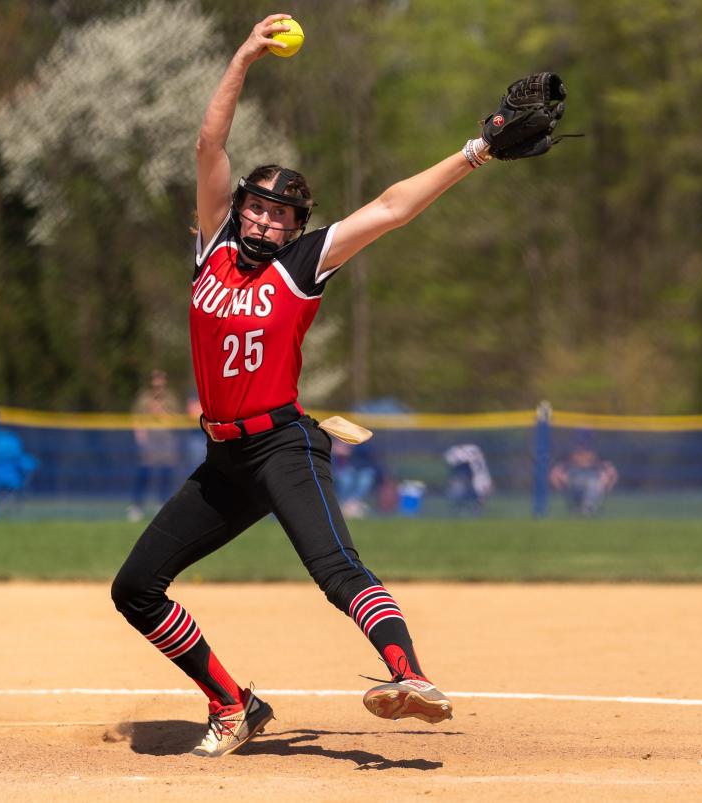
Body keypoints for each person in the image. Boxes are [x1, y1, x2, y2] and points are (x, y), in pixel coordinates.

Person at [111, 13, 563, 757]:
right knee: (136, 587)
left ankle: (409, 674)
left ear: (295, 228)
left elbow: (391, 207)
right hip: (224, 460)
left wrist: (475, 152)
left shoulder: (302, 263)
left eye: (279, 213)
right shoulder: (212, 251)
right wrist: (245, 57)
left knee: (336, 568)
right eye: (255, 204)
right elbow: (208, 144)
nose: (262, 217)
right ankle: (234, 704)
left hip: (284, 447)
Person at [128, 369, 182, 521]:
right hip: (149, 438)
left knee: (166, 472)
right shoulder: (144, 397)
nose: (158, 383)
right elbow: (136, 417)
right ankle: (137, 506)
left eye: (161, 379)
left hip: (167, 438)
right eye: (155, 379)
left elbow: (179, 418)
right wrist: (140, 434)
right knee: (144, 472)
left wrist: (163, 412)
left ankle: (162, 504)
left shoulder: (171, 398)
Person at [549, 440, 618, 516]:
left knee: (596, 481)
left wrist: (608, 487)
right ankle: (579, 507)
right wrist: (561, 488)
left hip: (591, 484)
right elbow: (555, 474)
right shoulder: (569, 460)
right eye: (580, 450)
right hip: (575, 484)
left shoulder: (598, 461)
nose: (583, 454)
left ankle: (587, 507)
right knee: (576, 484)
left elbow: (612, 474)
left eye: (586, 450)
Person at [444, 443, 493, 515]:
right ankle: (463, 508)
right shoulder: (471, 451)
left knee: (477, 493)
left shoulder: (468, 453)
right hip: (476, 475)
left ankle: (468, 509)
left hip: (476, 476)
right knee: (463, 491)